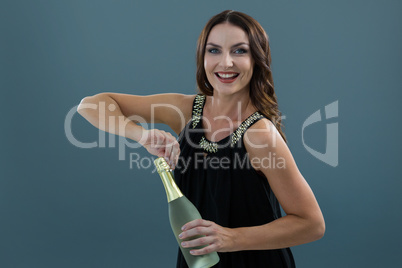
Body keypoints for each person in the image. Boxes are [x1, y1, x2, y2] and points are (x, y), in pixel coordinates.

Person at [77, 9, 325, 268]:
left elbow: (312, 224)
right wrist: (140, 135)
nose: (225, 62)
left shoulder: (260, 134)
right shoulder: (185, 111)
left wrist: (230, 238)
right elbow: (90, 105)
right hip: (198, 263)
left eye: (239, 51)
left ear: (257, 59)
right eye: (214, 50)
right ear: (202, 57)